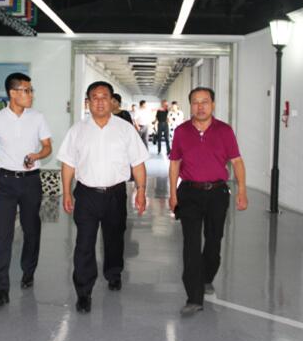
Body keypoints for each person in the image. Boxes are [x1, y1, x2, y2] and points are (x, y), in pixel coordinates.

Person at [58, 81, 149, 313]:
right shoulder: (77, 130)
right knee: (84, 243)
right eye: (94, 97)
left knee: (114, 238)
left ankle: (113, 273)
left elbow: (138, 163)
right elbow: (68, 164)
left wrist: (141, 190)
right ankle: (83, 292)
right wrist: (66, 191)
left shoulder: (125, 129)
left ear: (112, 101)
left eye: (104, 97)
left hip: (115, 194)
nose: (99, 102)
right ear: (88, 102)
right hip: (86, 194)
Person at [168, 87, 248, 315]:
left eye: (205, 102)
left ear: (213, 105)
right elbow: (175, 163)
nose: (200, 106)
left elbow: (237, 161)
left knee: (214, 241)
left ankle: (206, 277)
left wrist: (242, 190)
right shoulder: (182, 131)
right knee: (191, 244)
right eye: (195, 102)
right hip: (189, 193)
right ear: (190, 106)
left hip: (217, 193)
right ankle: (194, 297)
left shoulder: (224, 130)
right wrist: (173, 194)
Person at [0, 72, 52, 308]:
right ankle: (1, 288)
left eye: (31, 90)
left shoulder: (38, 117)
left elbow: (47, 147)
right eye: (26, 90)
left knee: (32, 230)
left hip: (31, 182)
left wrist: (37, 155)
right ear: (12, 93)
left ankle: (28, 272)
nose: (30, 95)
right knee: (3, 234)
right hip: (6, 182)